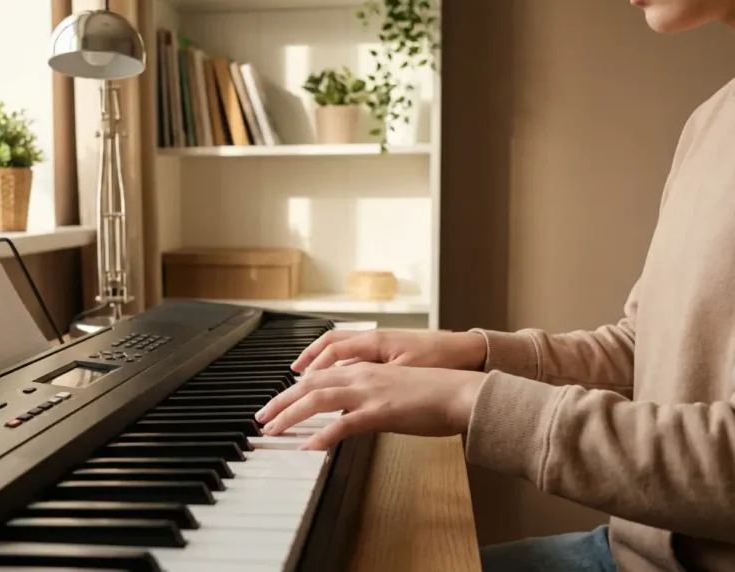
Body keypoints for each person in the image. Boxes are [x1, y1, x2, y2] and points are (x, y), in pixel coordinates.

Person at [254, 1, 735, 571]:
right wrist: (475, 352)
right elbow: (646, 347)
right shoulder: (712, 118)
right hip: (631, 551)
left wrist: (469, 401)